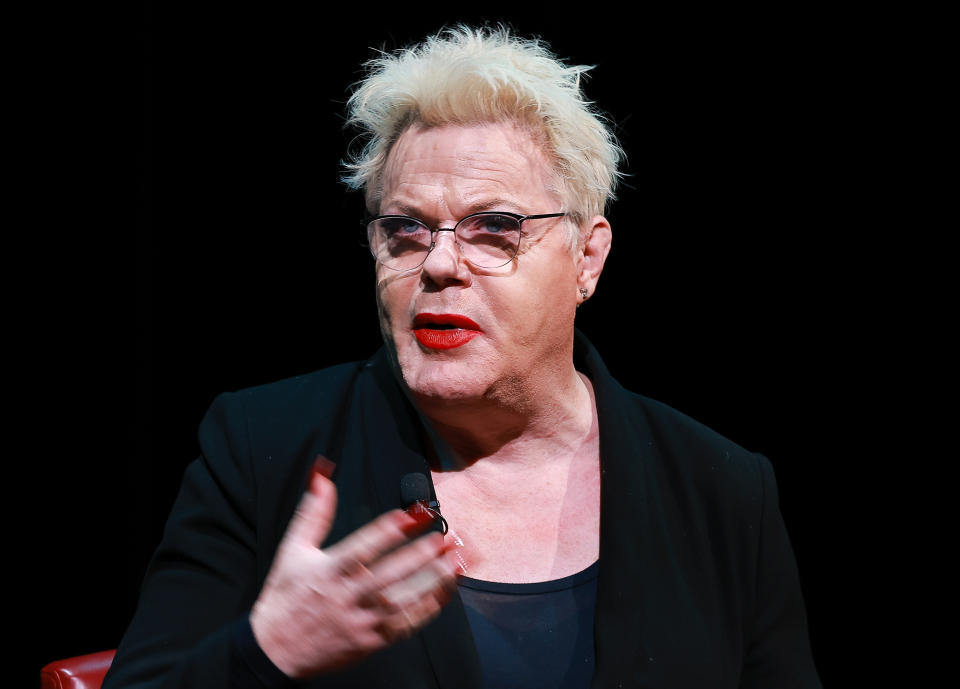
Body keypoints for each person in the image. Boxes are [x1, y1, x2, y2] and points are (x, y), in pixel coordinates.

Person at [104, 25, 821, 689]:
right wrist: (270, 652)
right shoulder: (264, 449)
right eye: (407, 230)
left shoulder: (721, 489)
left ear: (587, 259)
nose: (440, 265)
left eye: (494, 229)